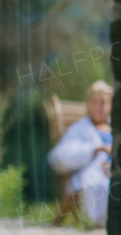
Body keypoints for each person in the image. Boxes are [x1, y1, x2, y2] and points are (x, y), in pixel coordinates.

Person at [48, 80, 114, 224]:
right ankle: (101, 221)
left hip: (116, 171)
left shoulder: (117, 128)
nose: (98, 107)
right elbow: (59, 156)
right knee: (100, 185)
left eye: (103, 102)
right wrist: (95, 150)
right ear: (88, 104)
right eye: (94, 102)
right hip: (94, 175)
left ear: (110, 106)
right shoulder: (80, 128)